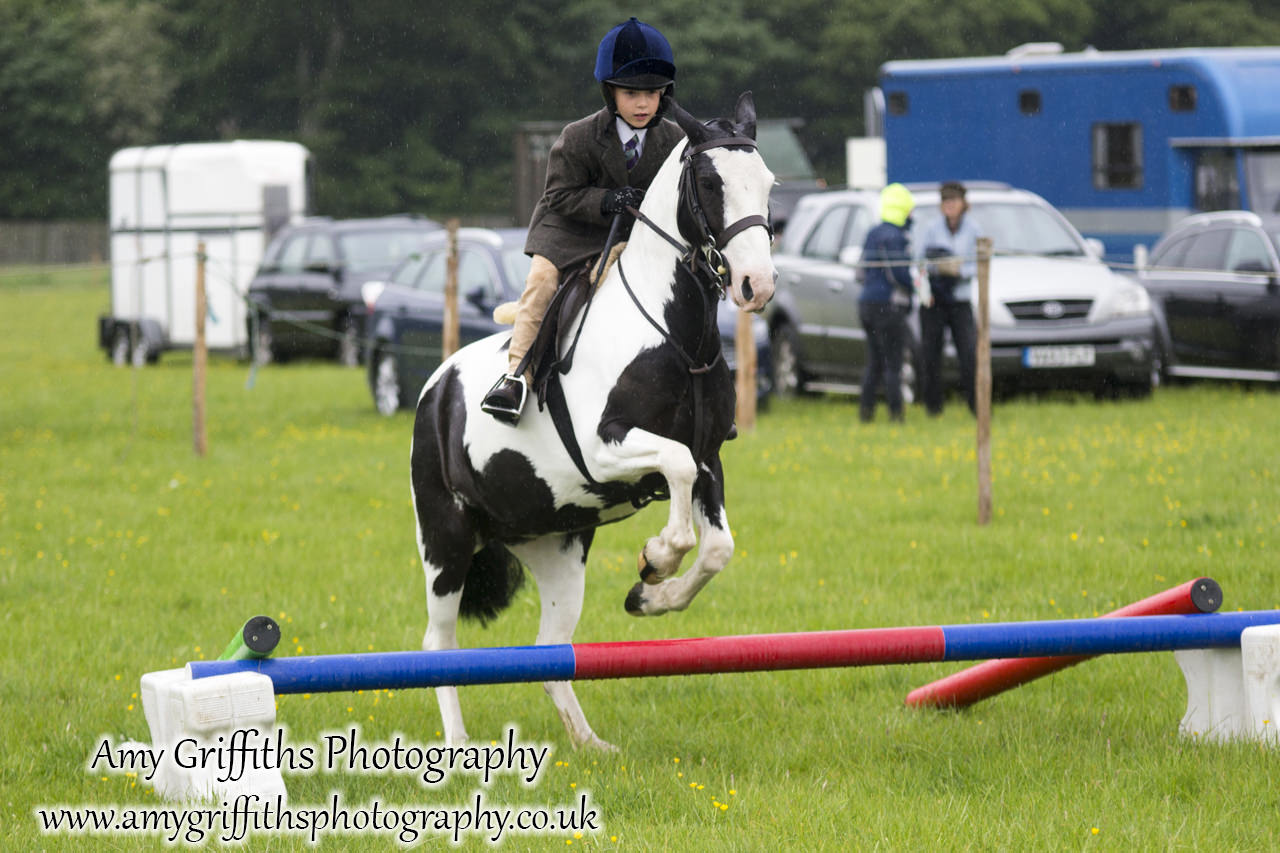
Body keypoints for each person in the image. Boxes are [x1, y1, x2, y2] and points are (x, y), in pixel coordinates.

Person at [481, 17, 686, 424]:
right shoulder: (577, 137)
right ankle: (514, 377)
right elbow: (558, 196)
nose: (644, 104)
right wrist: (608, 199)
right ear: (610, 93)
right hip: (569, 230)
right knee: (541, 282)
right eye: (632, 93)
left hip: (630, 238)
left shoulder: (674, 139)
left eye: (652, 93)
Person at [917, 181, 980, 416]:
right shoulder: (931, 228)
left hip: (960, 299)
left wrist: (959, 271)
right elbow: (920, 260)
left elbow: (980, 264)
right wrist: (940, 268)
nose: (949, 205)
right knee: (931, 353)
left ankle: (976, 405)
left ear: (963, 203)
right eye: (945, 201)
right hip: (936, 300)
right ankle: (933, 408)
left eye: (953, 201)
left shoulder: (974, 230)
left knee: (968, 353)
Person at [857, 183, 917, 423]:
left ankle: (866, 413)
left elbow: (860, 272)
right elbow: (900, 274)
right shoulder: (897, 237)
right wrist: (915, 288)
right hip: (888, 306)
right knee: (893, 363)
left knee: (874, 362)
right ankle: (896, 416)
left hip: (866, 304)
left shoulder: (873, 233)